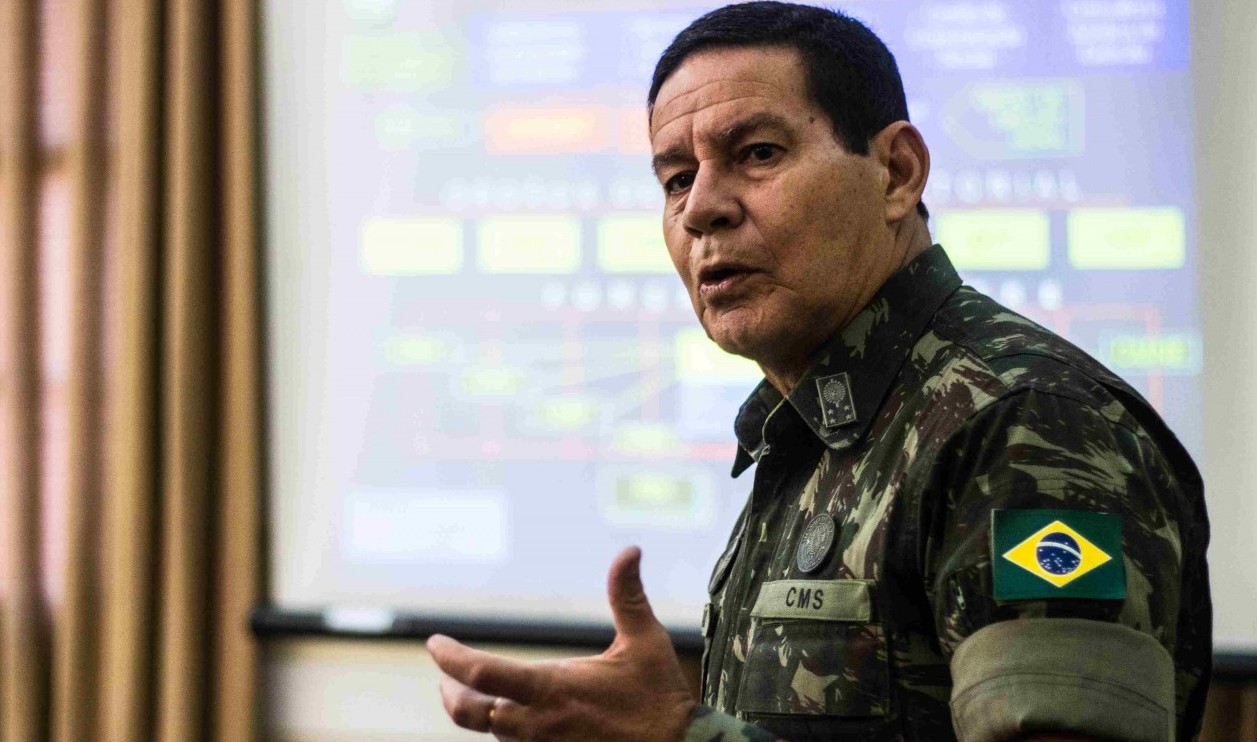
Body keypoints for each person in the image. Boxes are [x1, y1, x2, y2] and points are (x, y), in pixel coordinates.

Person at [427, 3, 1211, 740]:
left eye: (757, 154)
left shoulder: (1022, 423)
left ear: (896, 172)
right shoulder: (812, 424)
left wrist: (678, 735)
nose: (700, 209)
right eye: (675, 179)